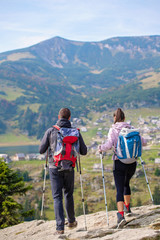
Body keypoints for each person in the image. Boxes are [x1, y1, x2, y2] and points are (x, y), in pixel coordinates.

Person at [39, 108, 87, 235]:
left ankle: (60, 228)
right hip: (70, 166)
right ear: (69, 118)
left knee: (57, 197)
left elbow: (41, 150)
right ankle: (71, 221)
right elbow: (84, 151)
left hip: (54, 166)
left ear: (59, 116)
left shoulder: (51, 130)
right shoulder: (75, 132)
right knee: (68, 194)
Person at [99, 108, 146, 228]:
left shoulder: (113, 130)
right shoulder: (131, 128)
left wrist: (100, 148)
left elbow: (109, 145)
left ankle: (120, 216)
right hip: (132, 162)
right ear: (124, 118)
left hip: (119, 161)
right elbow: (144, 142)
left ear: (115, 118)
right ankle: (128, 208)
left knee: (119, 188)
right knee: (126, 184)